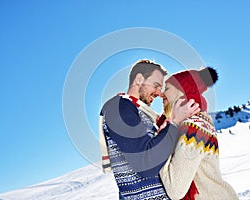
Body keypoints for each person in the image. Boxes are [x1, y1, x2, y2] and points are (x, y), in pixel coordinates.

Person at [99, 60, 200, 199]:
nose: (159, 93)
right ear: (139, 79)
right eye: (156, 85)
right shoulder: (120, 107)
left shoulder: (139, 113)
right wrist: (175, 123)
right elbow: (145, 164)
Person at [159, 67, 239, 200]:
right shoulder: (187, 123)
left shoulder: (194, 127)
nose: (161, 94)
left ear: (182, 92)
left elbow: (175, 189)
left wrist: (159, 145)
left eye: (167, 88)